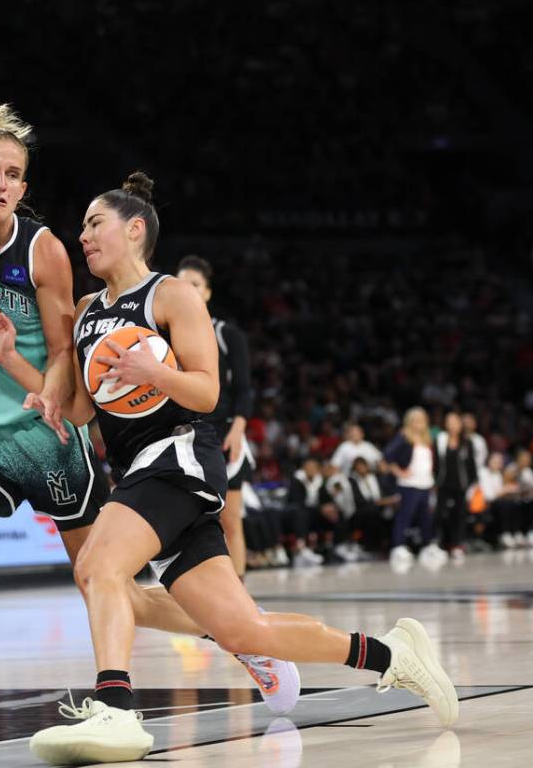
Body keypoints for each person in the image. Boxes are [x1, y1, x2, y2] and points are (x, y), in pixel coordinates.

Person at [0, 0, 291, 750]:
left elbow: (66, 367)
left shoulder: (41, 249)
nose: (5, 181)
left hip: (51, 440)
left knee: (108, 587)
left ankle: (242, 639)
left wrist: (30, 381)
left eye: (15, 172)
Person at [27, 173, 458, 764]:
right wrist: (15, 368)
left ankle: (117, 709)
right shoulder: (84, 311)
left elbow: (206, 393)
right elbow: (79, 408)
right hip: (136, 470)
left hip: (178, 456)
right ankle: (391, 655)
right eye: (80, 228)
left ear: (134, 230)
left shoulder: (170, 294)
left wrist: (154, 373)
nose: (83, 236)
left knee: (98, 567)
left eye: (93, 224)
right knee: (244, 631)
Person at [176, 255, 254, 578]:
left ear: (207, 293)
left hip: (222, 434)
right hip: (182, 437)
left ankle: (243, 602)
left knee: (230, 520)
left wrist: (237, 429)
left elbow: (245, 388)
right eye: (181, 284)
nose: (187, 290)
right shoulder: (164, 333)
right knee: (185, 523)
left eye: (194, 285)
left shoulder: (226, 333)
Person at [384, 407, 447, 567]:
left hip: (425, 484)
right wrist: (399, 472)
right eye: (415, 421)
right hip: (409, 485)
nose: (419, 424)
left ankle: (428, 545)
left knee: (426, 517)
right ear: (409, 423)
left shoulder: (427, 439)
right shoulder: (404, 437)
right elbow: (387, 456)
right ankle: (398, 546)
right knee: (405, 516)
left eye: (421, 420)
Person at [433, 412, 478, 559]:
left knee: (459, 515)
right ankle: (438, 543)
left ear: (460, 425)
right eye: (449, 422)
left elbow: (471, 465)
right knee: (440, 514)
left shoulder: (467, 442)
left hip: (461, 485)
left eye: (455, 422)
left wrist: (473, 484)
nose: (452, 425)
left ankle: (457, 544)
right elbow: (435, 463)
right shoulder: (440, 439)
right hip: (443, 484)